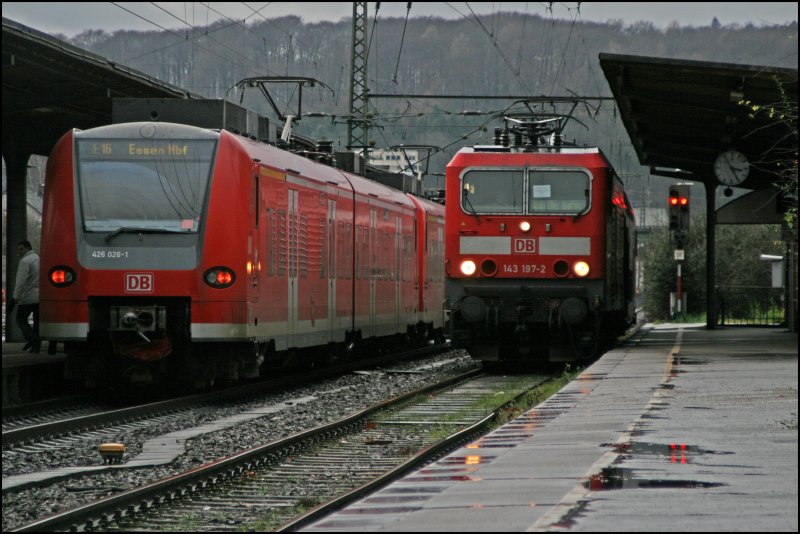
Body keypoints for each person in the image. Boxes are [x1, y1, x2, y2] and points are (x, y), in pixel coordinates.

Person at [11, 240, 40, 353]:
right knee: (37, 322)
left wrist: (16, 296)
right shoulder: (38, 258)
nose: (19, 252)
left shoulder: (25, 261)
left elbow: (21, 281)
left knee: (20, 319)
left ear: (27, 248)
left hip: (28, 296)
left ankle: (32, 339)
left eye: (21, 249)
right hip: (39, 296)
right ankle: (36, 346)